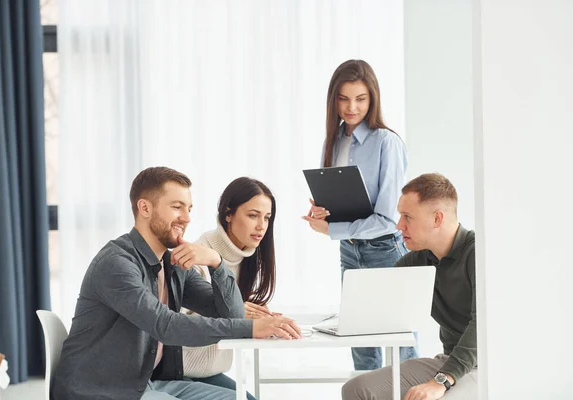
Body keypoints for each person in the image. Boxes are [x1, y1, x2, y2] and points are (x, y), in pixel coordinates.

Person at [52, 167, 301, 400]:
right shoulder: (117, 263)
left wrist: (216, 263)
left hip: (145, 383)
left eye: (189, 208)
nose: (187, 218)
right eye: (177, 207)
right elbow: (165, 325)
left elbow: (229, 314)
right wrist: (253, 328)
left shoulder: (173, 263)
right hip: (102, 389)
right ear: (145, 208)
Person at [302, 59, 416, 370]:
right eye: (343, 98)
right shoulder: (333, 141)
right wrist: (321, 214)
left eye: (360, 99)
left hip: (386, 251)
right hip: (350, 251)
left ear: (372, 98)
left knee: (400, 345)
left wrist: (332, 230)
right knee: (361, 343)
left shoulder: (387, 143)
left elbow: (388, 218)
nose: (352, 107)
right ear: (333, 99)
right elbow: (339, 203)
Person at [342, 173, 477, 400]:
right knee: (356, 389)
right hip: (450, 362)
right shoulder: (418, 259)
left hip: (489, 364)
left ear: (437, 219)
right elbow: (374, 302)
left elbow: (483, 327)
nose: (398, 225)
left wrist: (440, 382)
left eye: (407, 217)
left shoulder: (478, 253)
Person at [182, 177, 279, 400]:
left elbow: (237, 311)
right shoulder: (199, 256)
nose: (261, 226)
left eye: (267, 217)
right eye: (253, 215)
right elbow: (176, 324)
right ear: (228, 214)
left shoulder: (247, 259)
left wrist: (260, 316)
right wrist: (234, 313)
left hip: (211, 372)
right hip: (181, 372)